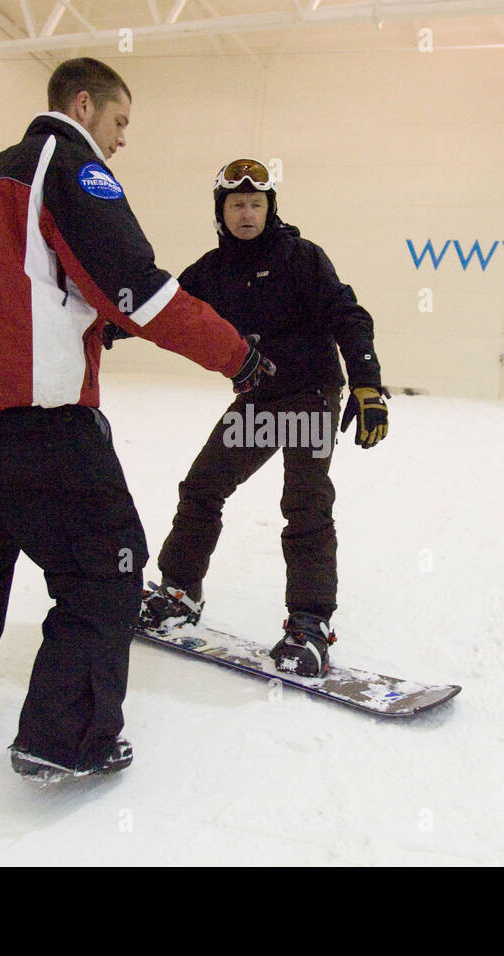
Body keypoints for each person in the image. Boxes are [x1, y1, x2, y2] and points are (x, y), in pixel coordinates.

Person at [0, 59, 274, 783]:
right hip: (37, 414)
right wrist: (236, 354)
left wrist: (92, 323)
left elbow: (34, 282)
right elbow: (138, 287)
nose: (121, 140)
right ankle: (65, 740)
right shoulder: (73, 165)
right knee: (105, 565)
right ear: (84, 105)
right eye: (119, 121)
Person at [126, 158, 388, 678]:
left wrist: (367, 381)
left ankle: (309, 624)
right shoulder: (211, 269)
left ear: (270, 209)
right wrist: (100, 326)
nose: (247, 213)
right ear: (221, 212)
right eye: (237, 205)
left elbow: (348, 315)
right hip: (259, 401)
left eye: (255, 204)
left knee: (306, 504)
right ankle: (179, 592)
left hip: (311, 396)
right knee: (203, 488)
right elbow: (165, 309)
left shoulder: (302, 257)